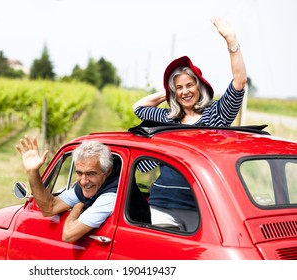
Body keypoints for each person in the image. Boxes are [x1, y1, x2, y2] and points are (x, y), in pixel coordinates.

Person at [132, 17, 247, 231]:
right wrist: (168, 91)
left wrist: (231, 41)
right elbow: (139, 107)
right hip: (162, 205)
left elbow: (239, 83)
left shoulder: (216, 115)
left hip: (203, 207)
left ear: (200, 85)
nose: (185, 91)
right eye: (179, 87)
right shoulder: (169, 118)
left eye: (190, 84)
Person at [16, 136, 118, 243]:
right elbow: (49, 208)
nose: (83, 181)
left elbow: (68, 235)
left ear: (108, 171)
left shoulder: (111, 197)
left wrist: (77, 206)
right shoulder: (92, 185)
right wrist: (32, 172)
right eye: (79, 173)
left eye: (91, 174)